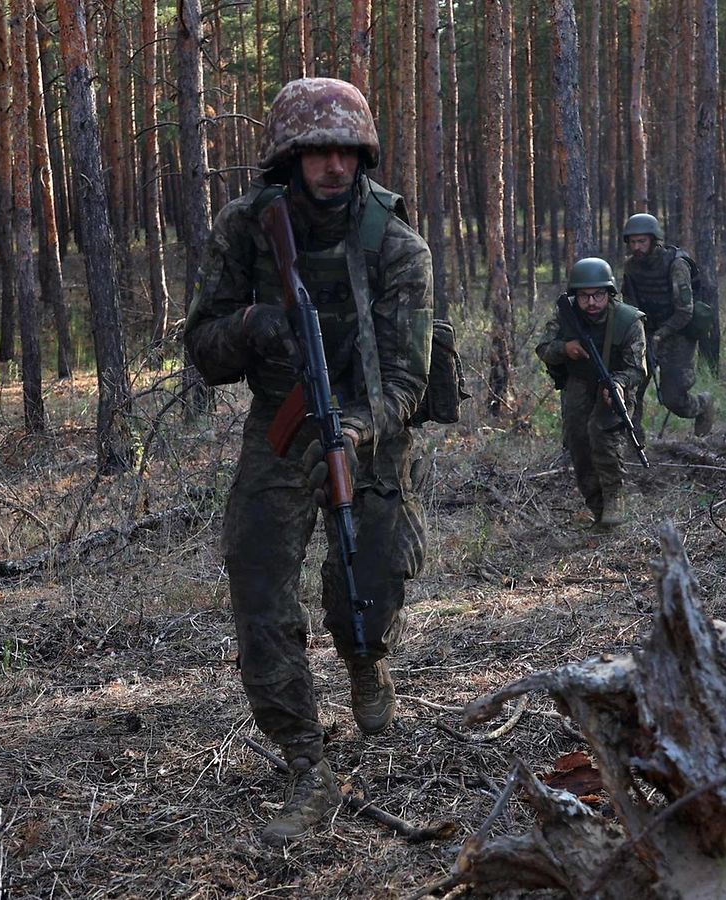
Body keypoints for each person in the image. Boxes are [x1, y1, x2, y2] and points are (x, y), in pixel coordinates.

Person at [182, 77, 432, 846]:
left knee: (369, 574)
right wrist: (256, 323)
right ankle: (304, 761)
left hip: (368, 423)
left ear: (365, 155)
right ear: (290, 156)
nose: (332, 166)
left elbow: (407, 382)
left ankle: (365, 657)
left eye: (346, 151)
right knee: (259, 586)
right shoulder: (248, 228)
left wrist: (355, 431)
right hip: (282, 423)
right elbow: (203, 346)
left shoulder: (396, 244)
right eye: (317, 150)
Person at [537, 258, 648, 530]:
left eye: (598, 295)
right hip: (578, 382)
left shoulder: (628, 320)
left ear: (610, 294)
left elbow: (638, 369)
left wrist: (619, 384)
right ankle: (597, 509)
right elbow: (543, 349)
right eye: (584, 296)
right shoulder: (566, 315)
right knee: (578, 442)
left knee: (604, 434)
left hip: (614, 385)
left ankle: (614, 499)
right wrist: (565, 348)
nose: (591, 302)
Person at [619, 214, 717, 438]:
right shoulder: (631, 267)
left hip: (677, 333)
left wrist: (660, 334)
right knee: (631, 389)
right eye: (633, 242)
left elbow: (685, 311)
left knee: (673, 398)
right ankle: (635, 440)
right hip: (645, 333)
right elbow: (629, 304)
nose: (637, 247)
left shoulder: (676, 265)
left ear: (654, 240)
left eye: (642, 241)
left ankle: (703, 405)